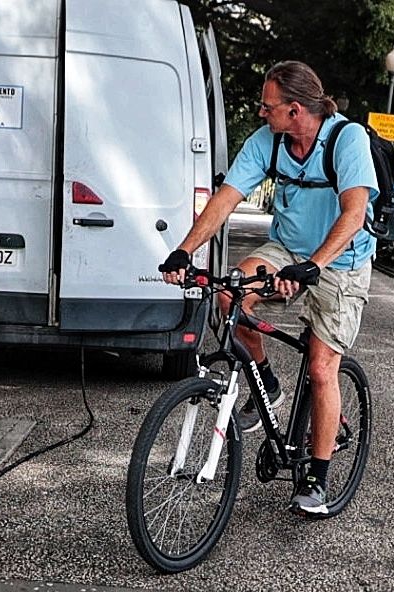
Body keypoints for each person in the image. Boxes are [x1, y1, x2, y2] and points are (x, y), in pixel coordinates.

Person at [159, 60, 377, 517]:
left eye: (268, 106)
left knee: (321, 369)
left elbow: (354, 214)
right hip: (287, 248)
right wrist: (185, 251)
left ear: (295, 110)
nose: (261, 113)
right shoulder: (268, 142)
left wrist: (313, 266)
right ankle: (269, 388)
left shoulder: (347, 139)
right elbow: (225, 199)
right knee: (230, 294)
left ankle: (316, 478)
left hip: (341, 260)